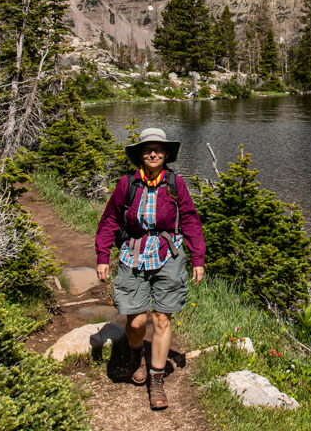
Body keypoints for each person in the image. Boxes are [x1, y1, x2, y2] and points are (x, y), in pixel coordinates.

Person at [95, 128, 205, 410]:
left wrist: (198, 258)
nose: (153, 154)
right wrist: (103, 256)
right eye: (147, 150)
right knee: (135, 321)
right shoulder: (127, 184)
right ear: (140, 155)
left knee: (161, 319)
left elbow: (190, 219)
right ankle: (135, 353)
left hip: (169, 253)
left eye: (158, 149)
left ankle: (156, 378)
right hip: (134, 252)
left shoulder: (175, 183)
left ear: (166, 154)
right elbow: (109, 221)